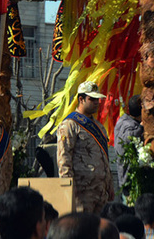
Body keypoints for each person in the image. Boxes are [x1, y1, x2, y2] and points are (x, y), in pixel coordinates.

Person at [57, 81, 114, 214]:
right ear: (81, 99)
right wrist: (67, 187)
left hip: (101, 190)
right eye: (92, 99)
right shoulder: (69, 125)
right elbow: (63, 157)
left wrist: (109, 184)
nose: (96, 102)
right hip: (82, 192)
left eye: (97, 99)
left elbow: (105, 157)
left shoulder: (99, 127)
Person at [114, 95, 144, 191]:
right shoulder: (128, 125)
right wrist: (141, 128)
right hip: (129, 178)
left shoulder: (123, 120)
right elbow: (128, 139)